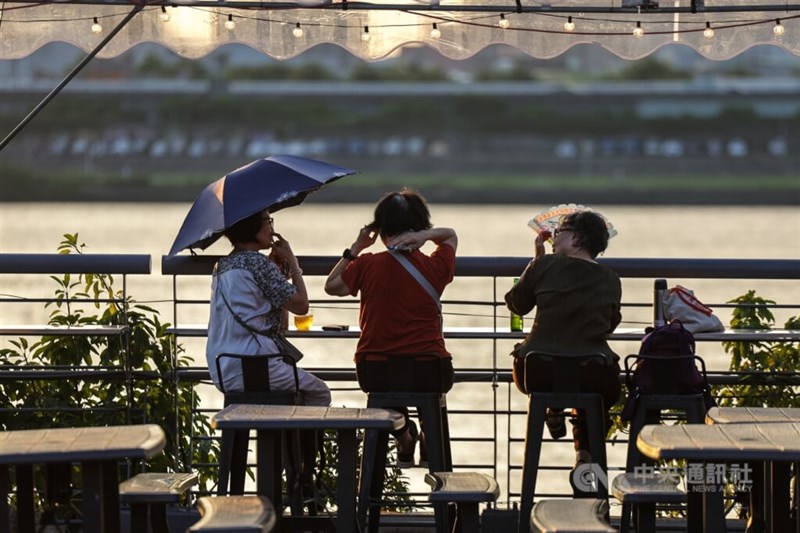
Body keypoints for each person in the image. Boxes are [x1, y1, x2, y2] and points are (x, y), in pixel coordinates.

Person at [324, 189, 457, 468]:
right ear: (420, 227)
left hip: (375, 371)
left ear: (380, 230)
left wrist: (357, 247)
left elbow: (331, 285)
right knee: (425, 388)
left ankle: (402, 432)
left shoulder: (366, 264)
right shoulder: (436, 266)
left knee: (389, 380)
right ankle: (427, 437)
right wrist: (424, 237)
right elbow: (451, 235)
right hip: (429, 370)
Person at [505, 210, 621, 481]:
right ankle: (585, 454)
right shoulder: (610, 278)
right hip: (592, 373)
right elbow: (609, 325)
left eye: (559, 233)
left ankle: (553, 409)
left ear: (577, 239)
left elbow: (516, 304)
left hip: (537, 372)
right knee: (593, 391)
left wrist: (536, 261)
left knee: (560, 372)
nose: (552, 239)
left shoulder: (545, 265)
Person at [206, 209, 331, 407]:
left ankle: (278, 436)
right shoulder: (259, 263)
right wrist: (293, 262)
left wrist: (276, 273)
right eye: (267, 221)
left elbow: (277, 319)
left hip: (222, 369)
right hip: (254, 368)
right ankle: (296, 438)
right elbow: (301, 306)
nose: (272, 227)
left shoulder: (221, 266)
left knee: (293, 394)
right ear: (252, 227)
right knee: (319, 392)